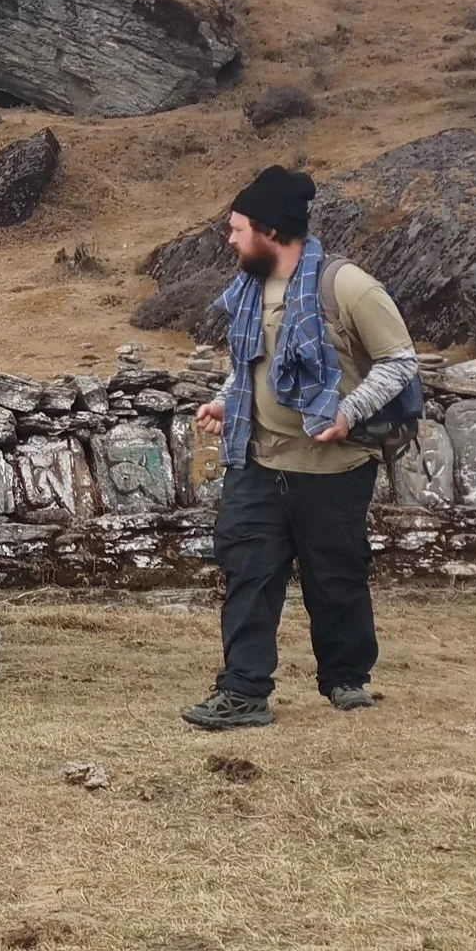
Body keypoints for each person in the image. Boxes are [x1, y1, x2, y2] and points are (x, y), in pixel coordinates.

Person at [181, 165, 420, 731]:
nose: (230, 238)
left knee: (335, 576)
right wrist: (226, 400)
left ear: (270, 230)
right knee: (248, 573)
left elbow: (399, 363)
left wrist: (346, 412)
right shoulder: (250, 288)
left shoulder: (348, 286)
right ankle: (243, 692)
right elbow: (250, 365)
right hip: (258, 462)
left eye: (238, 228)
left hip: (334, 468)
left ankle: (345, 680)